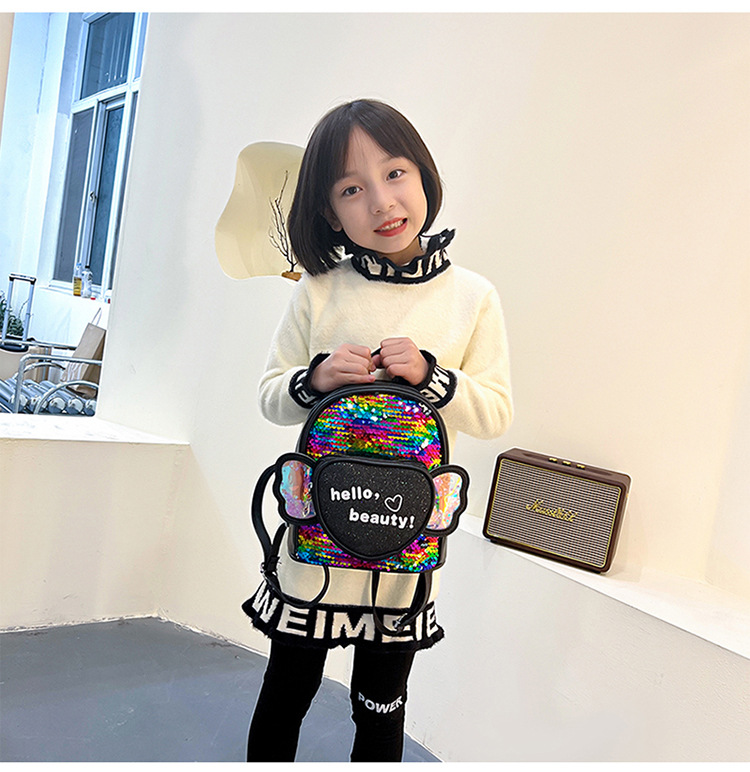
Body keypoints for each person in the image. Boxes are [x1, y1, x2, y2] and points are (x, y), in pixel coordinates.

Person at [242, 99, 513, 762]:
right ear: (331, 213)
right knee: (286, 691)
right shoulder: (318, 289)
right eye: (351, 189)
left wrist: (433, 377)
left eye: (394, 174)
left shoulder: (473, 297)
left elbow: (495, 412)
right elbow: (271, 397)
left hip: (404, 550)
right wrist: (315, 378)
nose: (382, 202)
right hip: (316, 542)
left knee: (381, 706)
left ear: (423, 174)